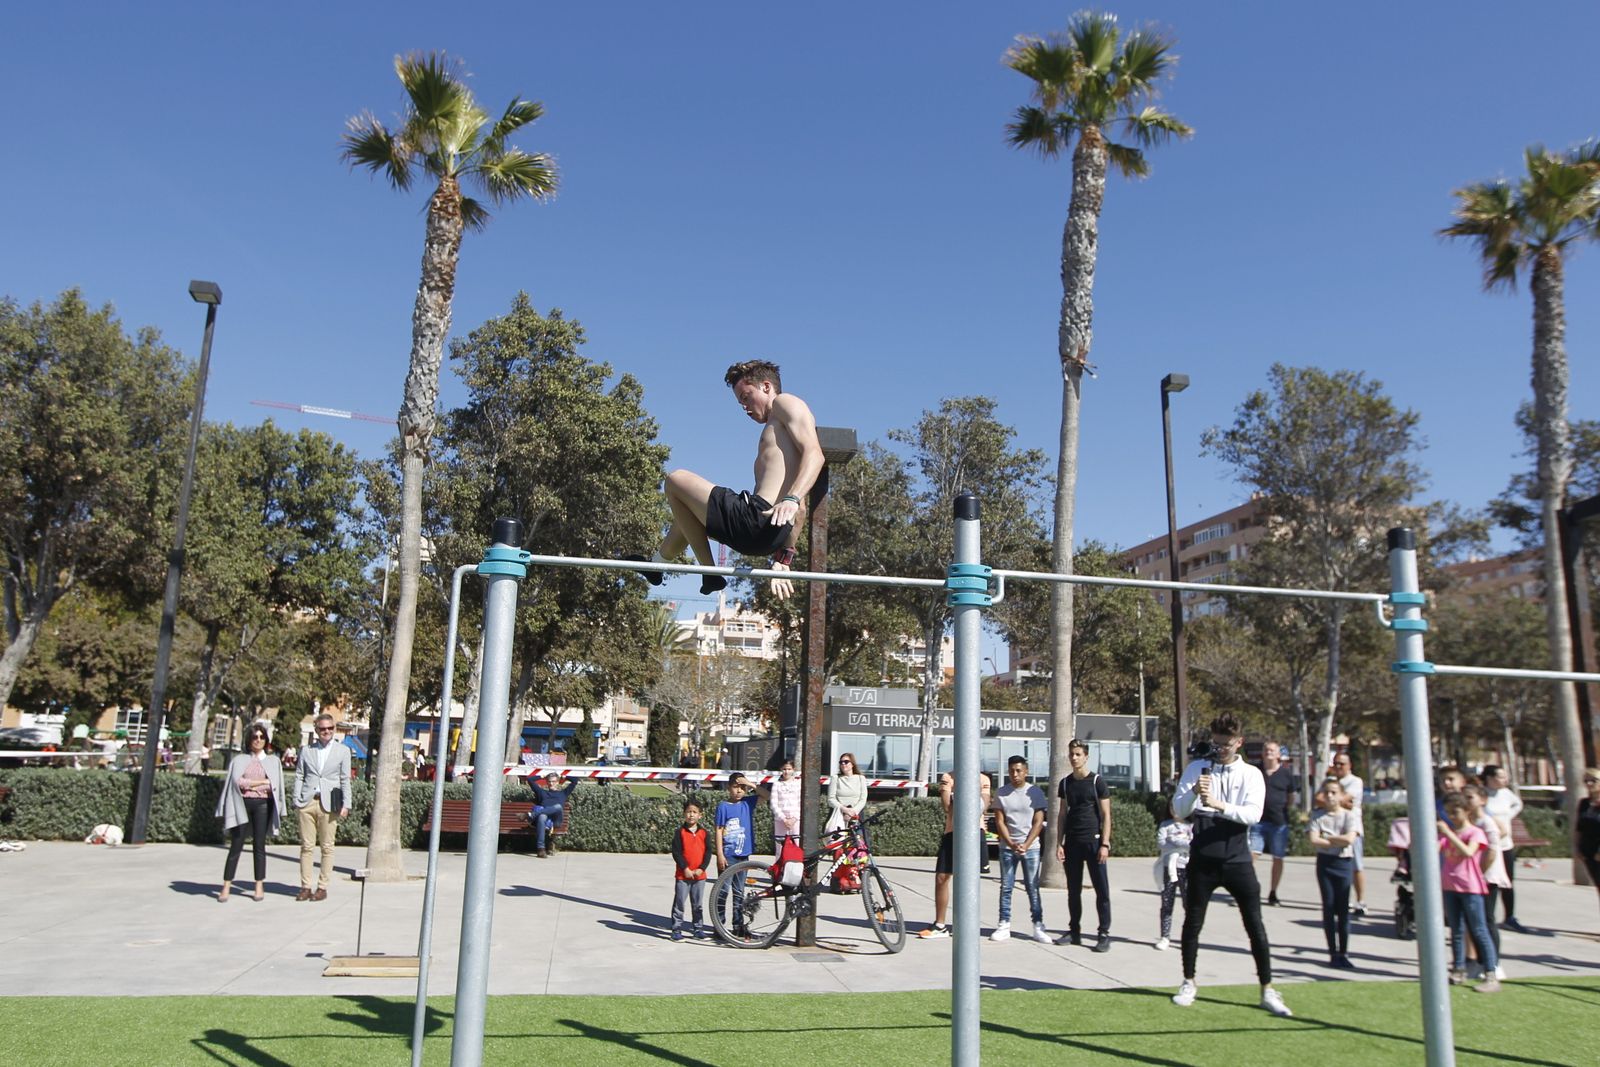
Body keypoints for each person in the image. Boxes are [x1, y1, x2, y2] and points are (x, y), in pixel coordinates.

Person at [627, 359, 823, 600]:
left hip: (755, 520)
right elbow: (800, 510)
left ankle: (710, 573)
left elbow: (816, 454)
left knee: (675, 480)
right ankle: (656, 566)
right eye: (740, 402)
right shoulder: (782, 442)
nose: (745, 407)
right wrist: (784, 558)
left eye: (746, 396)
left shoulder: (785, 402)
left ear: (766, 386)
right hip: (768, 535)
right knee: (687, 512)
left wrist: (792, 498)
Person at [1171, 714, 1292, 1018]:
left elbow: (1253, 814)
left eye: (1226, 744)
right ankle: (1189, 981)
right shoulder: (1197, 769)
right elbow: (1178, 809)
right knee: (1192, 923)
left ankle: (1267, 989)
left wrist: (1220, 805)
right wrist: (1196, 794)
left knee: (1255, 925)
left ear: (1238, 742)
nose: (1220, 748)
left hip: (1238, 858)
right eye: (1216, 743)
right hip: (1202, 859)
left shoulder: (1251, 774)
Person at [215, 723, 286, 903]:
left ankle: (259, 884)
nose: (258, 740)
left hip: (262, 805)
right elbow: (237, 783)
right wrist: (259, 782)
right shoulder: (239, 760)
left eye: (262, 737)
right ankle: (226, 886)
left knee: (259, 846)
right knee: (236, 845)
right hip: (242, 804)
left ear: (266, 740)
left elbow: (273, 785)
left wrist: (250, 782)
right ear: (249, 740)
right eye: (255, 737)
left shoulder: (273, 761)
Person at [1438, 791, 1500, 993]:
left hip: (1470, 887)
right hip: (1449, 886)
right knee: (1456, 930)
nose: (1452, 817)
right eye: (1448, 813)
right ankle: (1458, 969)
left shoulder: (1475, 833)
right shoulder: (1449, 835)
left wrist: (1448, 834)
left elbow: (1468, 852)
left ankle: (1491, 973)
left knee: (1479, 929)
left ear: (1466, 811)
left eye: (1455, 812)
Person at [1054, 739, 1113, 952]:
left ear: (1086, 756)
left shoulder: (1097, 781)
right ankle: (1074, 931)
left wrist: (1105, 844)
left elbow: (1106, 815)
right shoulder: (1065, 783)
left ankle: (1104, 933)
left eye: (1078, 754)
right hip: (1073, 844)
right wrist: (1059, 843)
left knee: (1101, 890)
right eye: (1072, 754)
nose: (1074, 758)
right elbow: (1062, 814)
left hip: (1094, 842)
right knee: (1073, 890)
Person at [918, 769, 991, 940]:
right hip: (953, 832)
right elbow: (946, 806)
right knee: (942, 877)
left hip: (975, 833)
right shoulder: (948, 777)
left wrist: (964, 799)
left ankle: (967, 924)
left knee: (969, 880)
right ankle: (940, 924)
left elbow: (984, 805)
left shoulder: (983, 779)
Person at [991, 755, 1049, 943]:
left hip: (1030, 847)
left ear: (1026, 771)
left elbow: (1039, 821)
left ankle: (1038, 925)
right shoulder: (1001, 793)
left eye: (1018, 770)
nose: (1014, 774)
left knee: (1032, 887)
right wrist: (1010, 843)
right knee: (1006, 886)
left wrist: (1026, 843)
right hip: (1007, 847)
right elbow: (999, 821)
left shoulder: (1035, 792)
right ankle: (1004, 924)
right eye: (1011, 771)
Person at [293, 713, 351, 902]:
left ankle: (322, 887)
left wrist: (346, 804)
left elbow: (345, 779)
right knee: (306, 847)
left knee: (327, 847)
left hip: (329, 804)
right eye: (323, 728)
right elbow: (300, 775)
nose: (327, 731)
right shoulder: (306, 750)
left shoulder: (342, 751)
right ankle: (305, 886)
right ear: (316, 730)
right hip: (308, 802)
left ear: (334, 729)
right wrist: (297, 798)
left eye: (330, 728)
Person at [1308, 777, 1362, 969]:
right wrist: (1333, 841)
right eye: (1327, 792)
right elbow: (1314, 840)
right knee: (1329, 908)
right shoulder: (1318, 816)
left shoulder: (1349, 816)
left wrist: (1329, 838)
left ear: (1340, 795)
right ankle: (1332, 952)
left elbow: (1349, 839)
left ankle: (1344, 952)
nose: (1330, 796)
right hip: (1325, 864)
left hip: (1344, 863)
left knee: (1343, 910)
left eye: (1334, 792)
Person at [1463, 782, 1510, 979]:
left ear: (1483, 800)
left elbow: (1492, 851)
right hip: (1473, 878)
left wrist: (1479, 872)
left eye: (1470, 797)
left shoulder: (1487, 822)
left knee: (1488, 920)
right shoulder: (1470, 823)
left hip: (1487, 877)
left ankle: (1495, 964)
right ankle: (1481, 962)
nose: (1466, 801)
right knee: (1475, 921)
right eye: (1464, 797)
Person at [1251, 741, 1298, 906]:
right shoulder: (1255, 771)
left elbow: (1291, 798)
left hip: (1279, 823)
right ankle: (1250, 890)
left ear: (1278, 754)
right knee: (1252, 855)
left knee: (1278, 857)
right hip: (1258, 821)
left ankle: (1273, 892)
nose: (1268, 752)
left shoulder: (1286, 774)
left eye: (1272, 750)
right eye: (1265, 750)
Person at [1482, 764, 1526, 931]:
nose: (1504, 780)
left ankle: (1510, 917)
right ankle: (1487, 918)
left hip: (1505, 844)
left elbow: (1518, 804)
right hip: (1489, 845)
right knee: (1490, 883)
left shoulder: (1506, 794)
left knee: (1508, 881)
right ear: (1489, 778)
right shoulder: (1482, 795)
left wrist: (1507, 816)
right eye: (1500, 776)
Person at [1330, 751, 1368, 917]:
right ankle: (1341, 900)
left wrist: (1332, 799)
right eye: (1336, 763)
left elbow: (1346, 799)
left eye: (1342, 764)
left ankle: (1361, 901)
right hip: (1334, 829)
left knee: (1356, 866)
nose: (1338, 767)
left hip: (1352, 829)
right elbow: (1319, 799)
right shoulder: (1330, 781)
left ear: (1349, 765)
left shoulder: (1355, 781)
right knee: (1336, 866)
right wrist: (1338, 801)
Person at [668, 799, 712, 941]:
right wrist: (685, 868)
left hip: (700, 876)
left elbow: (708, 853)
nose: (691, 815)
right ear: (684, 814)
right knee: (679, 903)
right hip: (683, 875)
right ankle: (676, 929)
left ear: (700, 815)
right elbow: (677, 852)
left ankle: (698, 929)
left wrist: (701, 868)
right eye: (688, 812)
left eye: (694, 812)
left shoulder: (705, 833)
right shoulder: (679, 832)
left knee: (697, 904)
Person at [1152, 799, 1192, 951]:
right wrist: (1180, 844)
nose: (1174, 809)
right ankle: (1165, 936)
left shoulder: (1190, 826)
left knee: (1189, 904)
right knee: (1167, 903)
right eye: (1171, 806)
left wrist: (1175, 841)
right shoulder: (1165, 825)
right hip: (1168, 868)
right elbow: (1161, 843)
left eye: (1177, 806)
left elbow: (1192, 845)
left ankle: (1188, 937)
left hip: (1186, 868)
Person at [527, 771, 578, 858]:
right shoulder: (542, 793)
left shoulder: (563, 793)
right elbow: (530, 780)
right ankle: (541, 849)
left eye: (553, 781)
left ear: (558, 782)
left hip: (556, 821)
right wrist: (542, 776)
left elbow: (575, 780)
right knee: (542, 816)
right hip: (544, 821)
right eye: (549, 781)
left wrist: (564, 776)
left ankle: (533, 815)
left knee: (558, 807)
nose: (551, 783)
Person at [1576, 768, 1600, 915]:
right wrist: (1577, 847)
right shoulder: (1584, 803)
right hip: (1588, 851)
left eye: (1593, 780)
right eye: (1586, 780)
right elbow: (1579, 828)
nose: (1589, 783)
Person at [766, 759, 802, 856]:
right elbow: (773, 803)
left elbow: (800, 803)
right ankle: (779, 869)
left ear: (793, 769)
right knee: (780, 848)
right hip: (780, 821)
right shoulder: (777, 784)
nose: (787, 771)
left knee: (797, 845)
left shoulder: (798, 783)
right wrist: (784, 819)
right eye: (784, 769)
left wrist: (794, 818)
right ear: (781, 769)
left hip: (795, 820)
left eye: (789, 769)